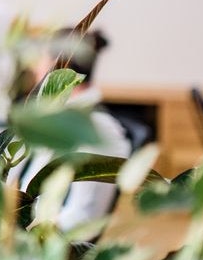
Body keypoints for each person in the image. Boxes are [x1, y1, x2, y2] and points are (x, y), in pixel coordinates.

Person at [13, 29, 132, 231]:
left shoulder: (97, 130)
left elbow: (81, 218)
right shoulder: (52, 119)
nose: (35, 68)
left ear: (59, 67)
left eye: (41, 58)